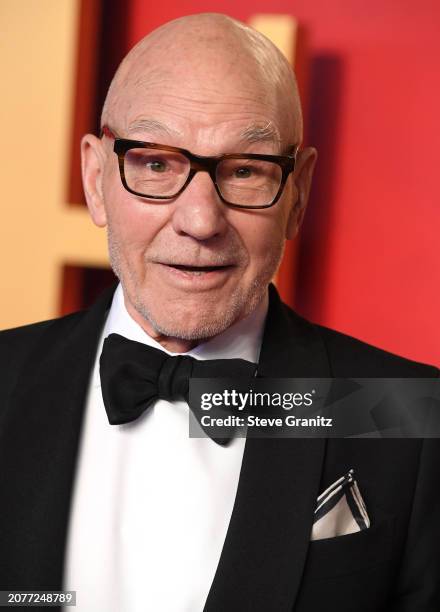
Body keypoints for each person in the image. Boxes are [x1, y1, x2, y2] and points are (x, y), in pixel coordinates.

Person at [0, 12, 439, 612]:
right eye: (156, 164)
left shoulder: (408, 418)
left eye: (246, 171)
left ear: (299, 194)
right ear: (97, 178)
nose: (200, 221)